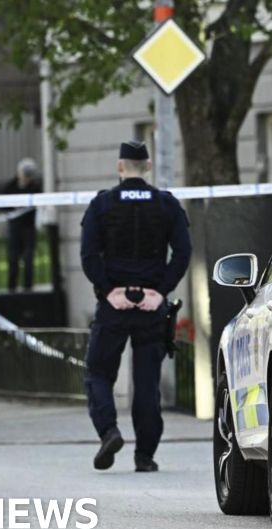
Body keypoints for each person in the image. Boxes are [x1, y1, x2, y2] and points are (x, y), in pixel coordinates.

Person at [79, 140, 191, 472]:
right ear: (148, 167)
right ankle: (145, 456)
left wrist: (108, 290)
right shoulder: (166, 204)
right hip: (151, 307)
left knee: (98, 373)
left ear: (120, 167)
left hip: (113, 306)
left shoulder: (102, 204)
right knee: (146, 383)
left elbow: (88, 256)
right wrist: (160, 291)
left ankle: (109, 431)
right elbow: (182, 253)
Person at [3, 158, 42, 291]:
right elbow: (1, 204)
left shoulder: (35, 187)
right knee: (13, 258)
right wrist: (13, 207)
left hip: (28, 228)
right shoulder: (10, 187)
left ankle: (28, 288)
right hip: (15, 227)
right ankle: (12, 288)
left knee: (28, 258)